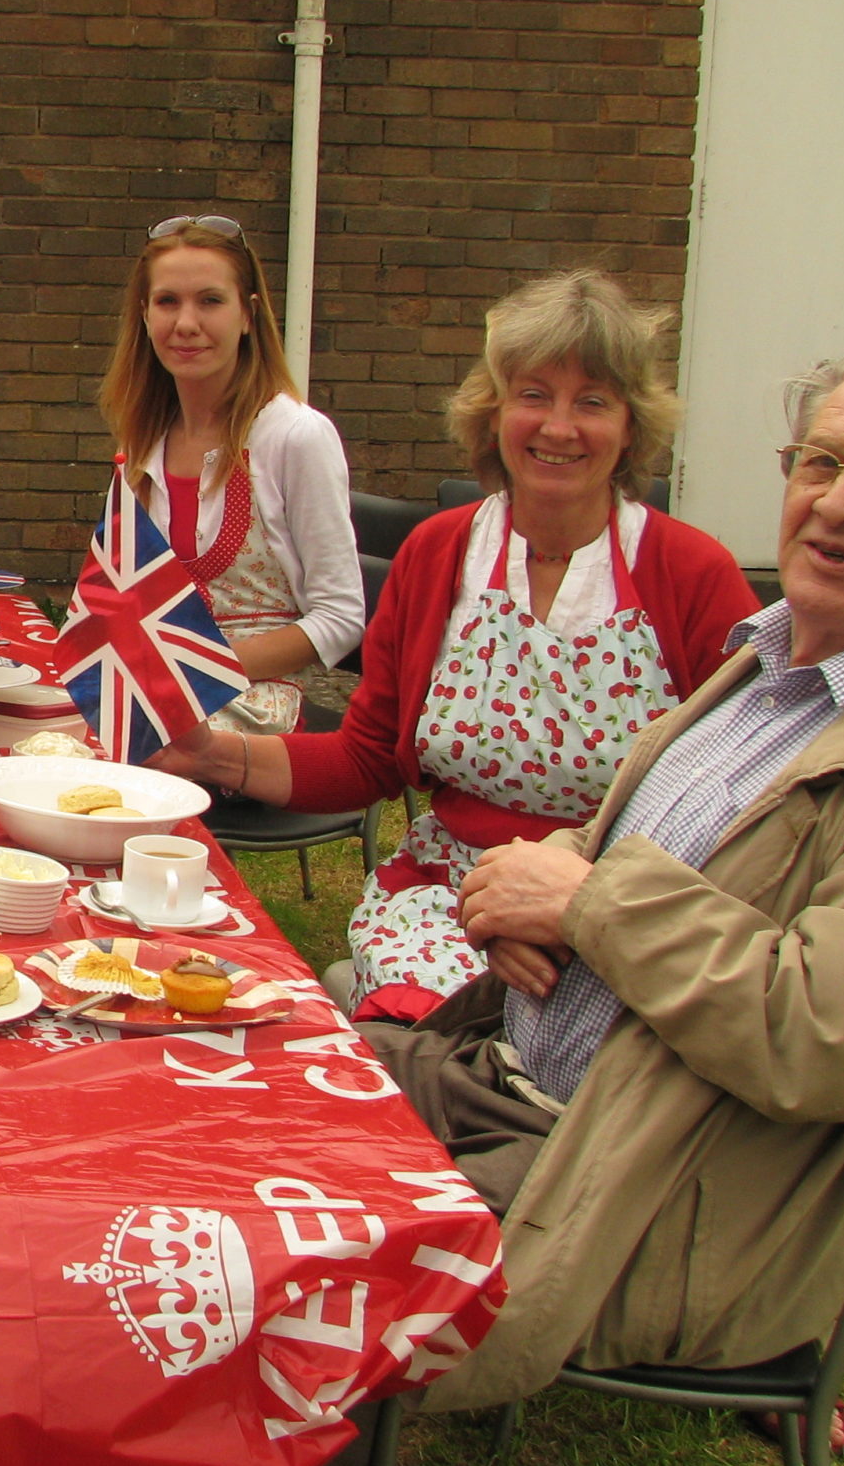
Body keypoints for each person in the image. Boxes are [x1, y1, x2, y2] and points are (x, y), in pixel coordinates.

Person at [402, 343, 844, 1407]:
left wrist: (586, 903)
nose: (838, 505)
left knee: (296, 1244)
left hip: (628, 1190)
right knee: (251, 1097)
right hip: (505, 1078)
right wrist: (531, 881)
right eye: (819, 464)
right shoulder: (778, 657)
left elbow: (821, 1039)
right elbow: (642, 850)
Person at [154, 270, 756, 1015]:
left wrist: (569, 910)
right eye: (534, 395)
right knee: (408, 1057)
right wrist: (214, 756)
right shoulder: (440, 555)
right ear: (494, 411)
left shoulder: (691, 574)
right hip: (449, 903)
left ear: (633, 425)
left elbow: (738, 804)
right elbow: (367, 757)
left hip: (620, 916)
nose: (559, 427)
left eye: (592, 402)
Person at [100, 213, 366, 736]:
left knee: (121, 757)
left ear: (248, 315)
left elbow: (340, 618)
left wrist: (198, 668)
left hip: (252, 701)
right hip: (150, 688)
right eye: (168, 301)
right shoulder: (142, 440)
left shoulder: (296, 436)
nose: (186, 323)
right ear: (144, 314)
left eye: (210, 301)